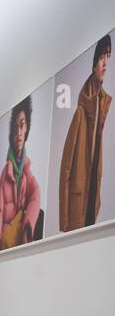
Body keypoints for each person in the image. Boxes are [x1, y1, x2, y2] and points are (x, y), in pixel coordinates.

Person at [58, 35, 111, 232]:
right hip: (77, 206)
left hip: (90, 202)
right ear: (93, 62)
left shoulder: (101, 103)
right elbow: (66, 169)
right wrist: (64, 221)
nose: (105, 63)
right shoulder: (82, 111)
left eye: (108, 56)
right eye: (101, 57)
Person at [0, 96, 43, 251]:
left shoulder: (26, 169)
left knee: (40, 214)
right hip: (7, 243)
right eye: (15, 128)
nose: (19, 133)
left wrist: (28, 224)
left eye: (22, 126)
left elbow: (36, 193)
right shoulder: (6, 172)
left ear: (27, 129)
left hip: (19, 241)